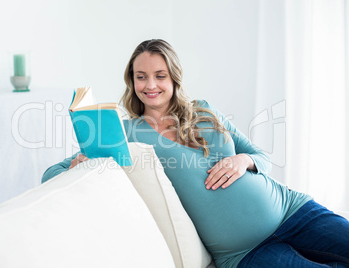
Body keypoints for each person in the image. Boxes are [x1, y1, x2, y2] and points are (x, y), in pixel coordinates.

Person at [41, 39, 349, 268]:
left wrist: (244, 160)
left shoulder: (203, 110)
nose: (150, 85)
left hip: (293, 211)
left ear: (174, 77)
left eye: (160, 75)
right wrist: (79, 164)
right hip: (246, 253)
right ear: (131, 81)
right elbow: (51, 172)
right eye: (141, 76)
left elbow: (261, 156)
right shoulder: (124, 132)